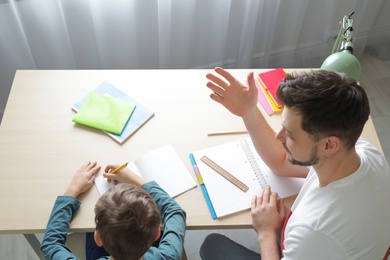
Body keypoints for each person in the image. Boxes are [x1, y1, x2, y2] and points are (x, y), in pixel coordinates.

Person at [199, 68, 390, 259]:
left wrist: (266, 233)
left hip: (318, 242)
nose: (278, 136)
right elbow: (281, 161)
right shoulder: (366, 152)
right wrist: (249, 111)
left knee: (212, 245)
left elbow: (311, 235)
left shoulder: (313, 231)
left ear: (328, 145)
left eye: (289, 134)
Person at [41, 161, 186, 260]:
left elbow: (51, 244)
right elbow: (175, 212)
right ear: (157, 235)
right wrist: (135, 178)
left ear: (97, 238)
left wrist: (71, 192)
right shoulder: (169, 256)